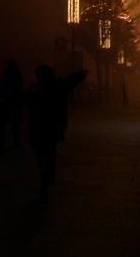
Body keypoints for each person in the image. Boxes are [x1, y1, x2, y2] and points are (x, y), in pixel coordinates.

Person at [22, 65, 88, 193]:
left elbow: (71, 81)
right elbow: (71, 81)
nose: (39, 78)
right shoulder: (51, 86)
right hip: (46, 127)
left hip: (47, 126)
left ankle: (46, 180)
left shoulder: (46, 87)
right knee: (46, 153)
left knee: (45, 153)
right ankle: (46, 179)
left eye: (41, 76)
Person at [0, 59, 23, 147]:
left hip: (8, 101)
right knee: (13, 123)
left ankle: (2, 141)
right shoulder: (16, 75)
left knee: (6, 122)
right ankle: (15, 141)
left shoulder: (7, 75)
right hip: (13, 102)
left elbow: (0, 86)